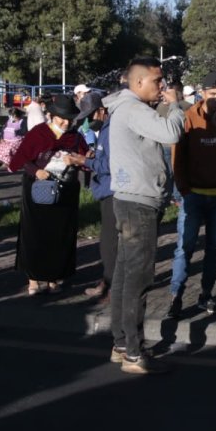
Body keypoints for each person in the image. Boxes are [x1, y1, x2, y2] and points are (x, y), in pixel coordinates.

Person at [104, 58, 185, 374]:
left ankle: (121, 342)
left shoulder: (128, 108)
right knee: (138, 278)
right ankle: (133, 352)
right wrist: (176, 106)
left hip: (129, 199)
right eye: (157, 81)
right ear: (138, 83)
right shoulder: (134, 109)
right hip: (139, 203)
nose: (162, 86)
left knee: (125, 275)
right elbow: (171, 133)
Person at [167, 73, 216, 317]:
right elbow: (177, 157)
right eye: (213, 95)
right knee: (185, 247)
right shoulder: (189, 117)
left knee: (214, 249)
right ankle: (175, 295)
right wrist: (183, 190)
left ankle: (206, 295)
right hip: (194, 195)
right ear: (202, 94)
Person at [8, 97, 88, 294]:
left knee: (60, 234)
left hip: (65, 192)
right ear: (51, 116)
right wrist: (36, 171)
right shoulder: (39, 133)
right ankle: (33, 278)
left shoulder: (76, 137)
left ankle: (54, 277)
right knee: (35, 233)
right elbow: (21, 159)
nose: (66, 123)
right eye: (62, 119)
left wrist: (79, 160)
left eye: (70, 119)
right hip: (38, 188)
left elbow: (86, 159)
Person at [84, 89, 118, 301]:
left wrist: (85, 161)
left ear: (101, 111)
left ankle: (113, 283)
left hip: (113, 189)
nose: (88, 122)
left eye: (89, 116)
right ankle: (108, 280)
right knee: (108, 242)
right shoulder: (105, 128)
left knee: (110, 243)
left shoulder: (111, 129)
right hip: (106, 189)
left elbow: (110, 164)